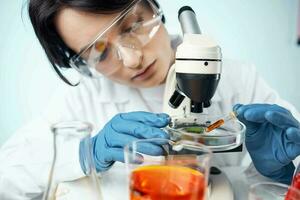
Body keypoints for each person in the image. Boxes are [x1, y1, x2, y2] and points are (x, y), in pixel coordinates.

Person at [0, 0, 300, 198]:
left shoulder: (240, 81)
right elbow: (6, 177)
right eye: (100, 52)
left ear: (153, 5)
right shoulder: (83, 100)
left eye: (133, 25)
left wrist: (282, 176)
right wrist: (84, 153)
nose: (131, 60)